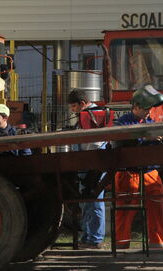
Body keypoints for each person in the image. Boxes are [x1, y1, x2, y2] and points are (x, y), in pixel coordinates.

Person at [114, 84, 163, 249]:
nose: (149, 112)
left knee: (157, 204)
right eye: (146, 108)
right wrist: (146, 140)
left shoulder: (151, 122)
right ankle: (121, 244)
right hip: (129, 173)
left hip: (151, 171)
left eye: (150, 108)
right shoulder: (121, 123)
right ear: (135, 106)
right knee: (125, 209)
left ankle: (157, 242)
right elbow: (122, 142)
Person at [67, 89, 106, 249]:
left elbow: (96, 142)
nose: (72, 110)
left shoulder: (94, 115)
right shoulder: (86, 115)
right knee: (86, 203)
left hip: (92, 164)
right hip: (85, 163)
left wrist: (89, 163)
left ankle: (94, 239)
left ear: (83, 103)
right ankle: (88, 236)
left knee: (94, 202)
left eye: (74, 106)